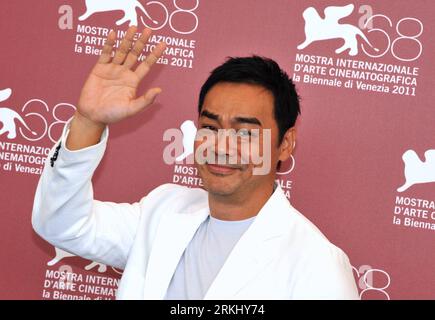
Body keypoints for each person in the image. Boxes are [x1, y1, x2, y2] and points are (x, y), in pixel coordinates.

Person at [32, 26, 359, 300]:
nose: (221, 146)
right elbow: (61, 225)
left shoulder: (318, 264)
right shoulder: (163, 210)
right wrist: (88, 121)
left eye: (245, 133)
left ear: (284, 145)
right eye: (210, 127)